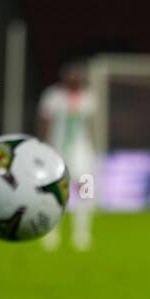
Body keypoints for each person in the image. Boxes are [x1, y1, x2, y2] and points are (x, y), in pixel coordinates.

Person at [38, 62, 98, 251]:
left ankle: (82, 233)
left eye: (76, 76)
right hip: (57, 149)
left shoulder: (89, 98)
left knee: (85, 190)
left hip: (82, 151)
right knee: (54, 191)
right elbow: (45, 122)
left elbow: (91, 125)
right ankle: (51, 232)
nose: (74, 79)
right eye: (70, 76)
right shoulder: (53, 96)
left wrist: (93, 148)